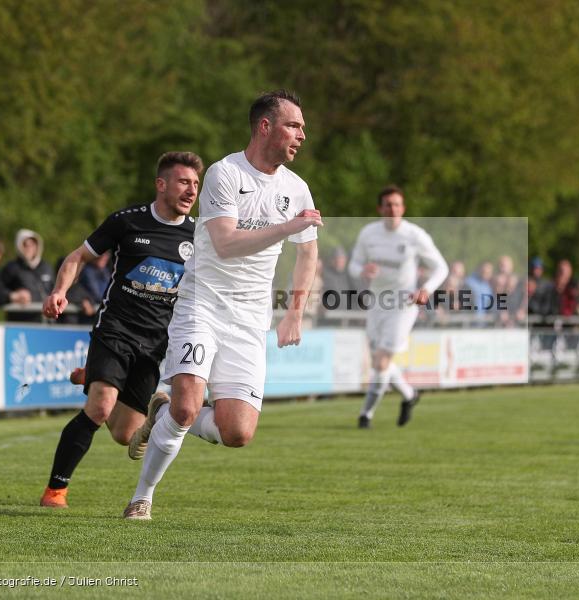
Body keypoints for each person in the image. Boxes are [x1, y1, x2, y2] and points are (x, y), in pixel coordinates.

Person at [122, 90, 322, 520]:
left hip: (250, 320)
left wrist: (294, 312)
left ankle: (164, 411)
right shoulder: (224, 173)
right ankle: (143, 497)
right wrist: (287, 226)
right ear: (265, 126)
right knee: (189, 405)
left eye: (303, 127)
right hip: (203, 307)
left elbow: (308, 253)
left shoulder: (297, 188)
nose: (302, 135)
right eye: (294, 125)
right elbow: (227, 243)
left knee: (237, 433)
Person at [38, 151, 204, 509]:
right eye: (182, 182)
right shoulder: (128, 221)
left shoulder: (201, 236)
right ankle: (55, 491)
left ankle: (95, 376)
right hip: (116, 329)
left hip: (157, 342)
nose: (191, 190)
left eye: (195, 183)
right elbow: (76, 257)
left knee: (125, 433)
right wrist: (59, 291)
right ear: (161, 185)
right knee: (99, 407)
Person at [348, 185, 448, 429]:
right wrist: (361, 270)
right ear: (380, 208)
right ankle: (410, 395)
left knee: (381, 362)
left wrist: (426, 289)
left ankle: (365, 415)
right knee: (378, 361)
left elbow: (441, 267)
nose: (392, 209)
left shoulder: (415, 235)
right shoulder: (368, 233)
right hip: (377, 303)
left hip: (403, 305)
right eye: (388, 204)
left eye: (397, 204)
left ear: (403, 208)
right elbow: (353, 264)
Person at [0, 229, 55, 322]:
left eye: (32, 244)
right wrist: (14, 295)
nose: (29, 248)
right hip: (20, 323)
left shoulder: (46, 267)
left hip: (47, 323)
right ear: (19, 246)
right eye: (25, 244)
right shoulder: (11, 267)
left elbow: (54, 290)